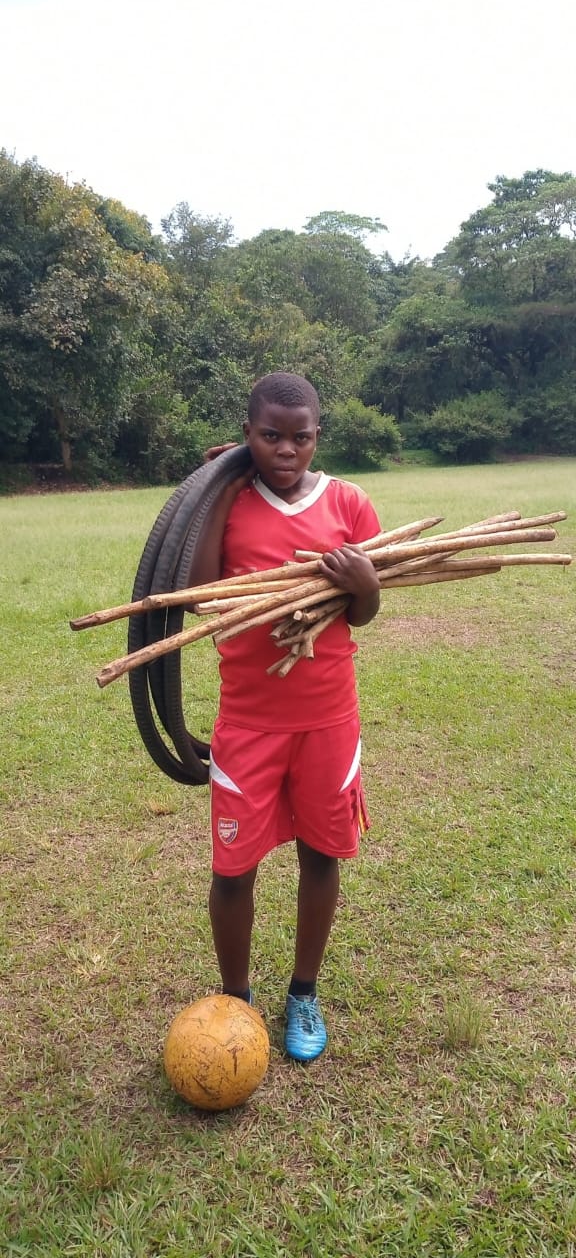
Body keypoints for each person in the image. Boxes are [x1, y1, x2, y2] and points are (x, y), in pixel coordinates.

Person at [191, 372, 382, 1062]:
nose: (285, 450)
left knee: (321, 855)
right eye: (270, 436)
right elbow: (198, 598)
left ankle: (303, 991)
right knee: (232, 868)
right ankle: (234, 1002)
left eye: (300, 437)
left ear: (316, 437)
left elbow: (360, 612)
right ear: (248, 434)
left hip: (329, 717)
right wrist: (213, 487)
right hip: (248, 721)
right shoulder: (232, 503)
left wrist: (367, 588)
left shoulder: (350, 503)